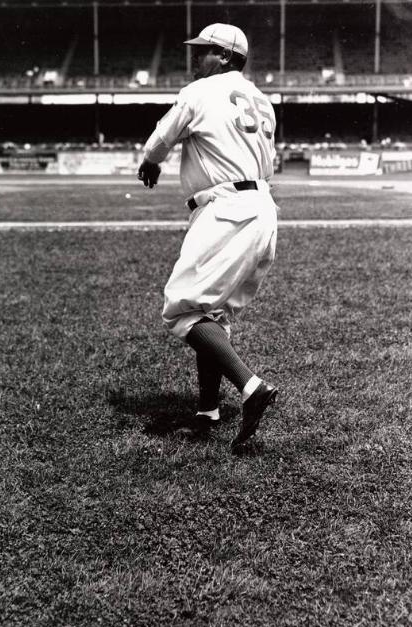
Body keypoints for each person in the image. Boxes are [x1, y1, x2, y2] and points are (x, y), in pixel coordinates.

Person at [137, 23, 278, 452]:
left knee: (179, 309)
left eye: (204, 51)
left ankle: (251, 386)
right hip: (262, 209)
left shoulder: (201, 91)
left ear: (225, 57)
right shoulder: (262, 99)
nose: (196, 59)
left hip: (225, 209)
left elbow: (162, 137)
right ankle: (207, 412)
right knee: (210, 313)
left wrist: (150, 161)